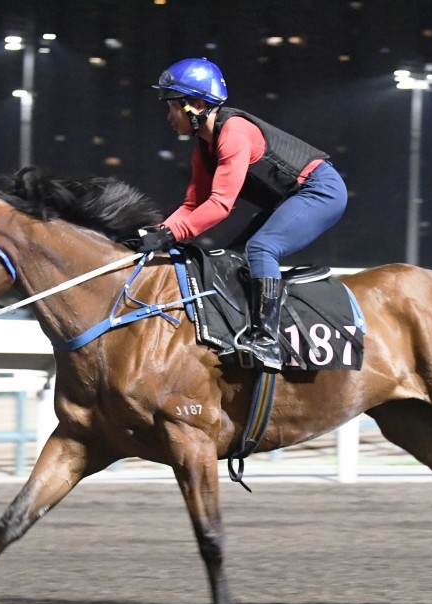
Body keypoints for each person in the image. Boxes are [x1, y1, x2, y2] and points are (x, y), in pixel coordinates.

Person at [132, 57, 347, 372]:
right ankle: (243, 326)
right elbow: (192, 206)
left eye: (172, 107)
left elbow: (220, 204)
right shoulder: (203, 149)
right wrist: (153, 233)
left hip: (320, 191)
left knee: (262, 248)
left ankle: (267, 342)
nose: (168, 116)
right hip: (290, 198)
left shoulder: (233, 132)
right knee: (231, 259)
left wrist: (169, 235)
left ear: (195, 104)